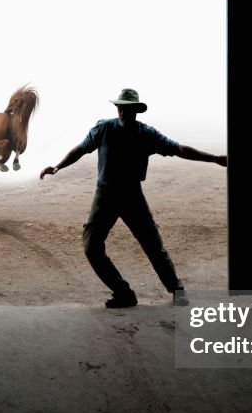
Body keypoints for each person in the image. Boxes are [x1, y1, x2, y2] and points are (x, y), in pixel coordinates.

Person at [40, 89, 227, 308]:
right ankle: (123, 293)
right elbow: (81, 149)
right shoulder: (104, 128)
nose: (122, 111)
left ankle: (177, 290)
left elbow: (178, 149)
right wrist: (57, 166)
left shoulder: (146, 134)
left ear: (136, 111)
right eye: (120, 107)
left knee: (153, 245)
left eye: (127, 108)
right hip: (105, 195)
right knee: (92, 246)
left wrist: (214, 158)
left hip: (132, 196)